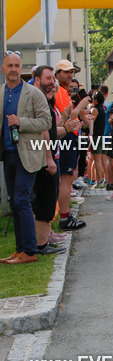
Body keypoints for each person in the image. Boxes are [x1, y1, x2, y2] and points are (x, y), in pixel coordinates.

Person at [2, 51, 52, 264]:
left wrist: (21, 122)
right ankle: (20, 250)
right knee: (15, 203)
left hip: (29, 155)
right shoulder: (2, 93)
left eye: (17, 65)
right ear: (3, 69)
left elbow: (46, 122)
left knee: (22, 200)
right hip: (8, 155)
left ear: (21, 68)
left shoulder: (33, 93)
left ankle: (30, 252)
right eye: (9, 66)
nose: (13, 69)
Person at [28, 65, 68, 254]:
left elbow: (51, 130)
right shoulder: (37, 99)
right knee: (44, 200)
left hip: (46, 155)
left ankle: (44, 240)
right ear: (36, 80)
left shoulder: (43, 99)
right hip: (42, 157)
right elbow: (43, 131)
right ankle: (41, 244)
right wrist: (48, 158)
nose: (52, 82)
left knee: (48, 199)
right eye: (48, 78)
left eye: (53, 78)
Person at [54, 60, 87, 230]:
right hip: (65, 137)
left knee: (67, 178)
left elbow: (70, 117)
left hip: (69, 135)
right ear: (57, 73)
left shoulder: (64, 91)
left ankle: (64, 216)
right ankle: (65, 217)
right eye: (66, 72)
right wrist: (83, 102)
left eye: (71, 72)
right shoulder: (59, 90)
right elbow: (68, 114)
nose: (70, 75)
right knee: (65, 179)